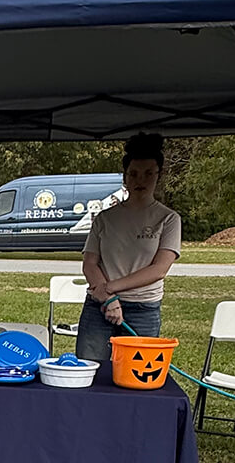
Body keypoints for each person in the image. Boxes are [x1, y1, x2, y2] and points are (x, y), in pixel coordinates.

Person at [76, 133, 181, 361]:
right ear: (125, 178)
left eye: (148, 174)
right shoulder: (104, 218)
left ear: (158, 176)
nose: (140, 180)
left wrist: (110, 289)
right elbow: (89, 263)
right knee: (89, 371)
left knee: (137, 375)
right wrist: (107, 299)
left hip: (143, 309)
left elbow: (159, 269)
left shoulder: (169, 219)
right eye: (133, 174)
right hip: (99, 308)